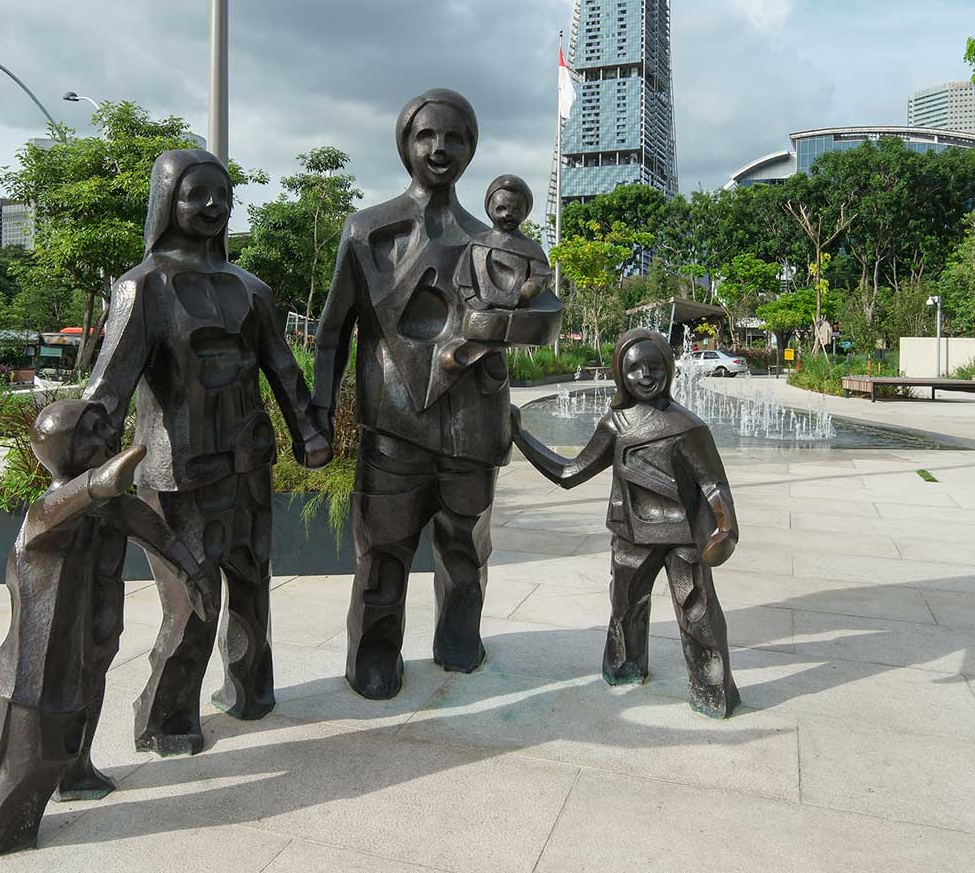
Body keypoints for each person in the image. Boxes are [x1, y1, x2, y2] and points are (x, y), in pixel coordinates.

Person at [313, 89, 561, 700]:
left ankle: (459, 641)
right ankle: (374, 655)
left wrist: (500, 325)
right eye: (427, 136)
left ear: (472, 148)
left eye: (455, 137)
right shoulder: (367, 232)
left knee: (464, 546)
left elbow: (548, 317)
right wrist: (315, 416)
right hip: (393, 426)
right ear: (406, 144)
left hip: (472, 425)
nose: (441, 148)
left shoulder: (497, 243)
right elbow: (330, 335)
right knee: (383, 549)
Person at [83, 149, 331, 757]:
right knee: (193, 602)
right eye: (197, 195)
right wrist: (83, 456)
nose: (212, 206)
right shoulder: (141, 289)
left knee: (252, 584)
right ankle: (166, 717)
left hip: (248, 463)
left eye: (222, 195)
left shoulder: (252, 290)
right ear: (168, 203)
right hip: (177, 474)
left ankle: (251, 691)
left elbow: (282, 368)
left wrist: (308, 430)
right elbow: (109, 386)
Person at [0, 400, 215, 856]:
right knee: (33, 748)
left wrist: (194, 577)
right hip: (41, 658)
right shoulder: (48, 511)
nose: (107, 437)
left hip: (92, 639)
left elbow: (161, 538)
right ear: (67, 451)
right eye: (94, 432)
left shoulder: (113, 509)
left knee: (83, 710)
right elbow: (93, 489)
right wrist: (133, 456)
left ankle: (78, 775)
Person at [509, 328, 741, 718]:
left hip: (683, 537)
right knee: (624, 605)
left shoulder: (688, 426)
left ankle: (713, 690)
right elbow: (571, 473)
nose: (646, 376)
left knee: (698, 613)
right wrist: (521, 436)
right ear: (620, 374)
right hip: (631, 534)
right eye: (634, 368)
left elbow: (714, 484)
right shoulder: (615, 425)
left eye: (655, 367)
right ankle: (625, 668)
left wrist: (725, 528)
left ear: (669, 369)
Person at [438, 174, 551, 372]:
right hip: (479, 314)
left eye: (516, 210)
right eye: (501, 208)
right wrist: (475, 300)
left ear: (525, 213)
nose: (508, 214)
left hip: (513, 314)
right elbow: (463, 279)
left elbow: (541, 275)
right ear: (490, 208)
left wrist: (529, 290)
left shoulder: (531, 249)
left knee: (494, 365)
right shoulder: (477, 244)